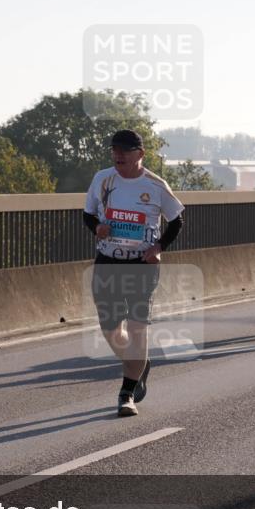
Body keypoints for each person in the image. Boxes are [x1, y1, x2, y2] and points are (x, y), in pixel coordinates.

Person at [83, 129, 184, 417]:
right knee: (110, 327)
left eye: (125, 151)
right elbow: (88, 213)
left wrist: (158, 247)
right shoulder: (102, 179)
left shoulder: (155, 185)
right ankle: (140, 364)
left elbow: (177, 220)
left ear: (140, 154)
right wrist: (96, 228)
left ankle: (127, 392)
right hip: (108, 261)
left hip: (142, 265)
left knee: (137, 327)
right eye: (115, 150)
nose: (118, 155)